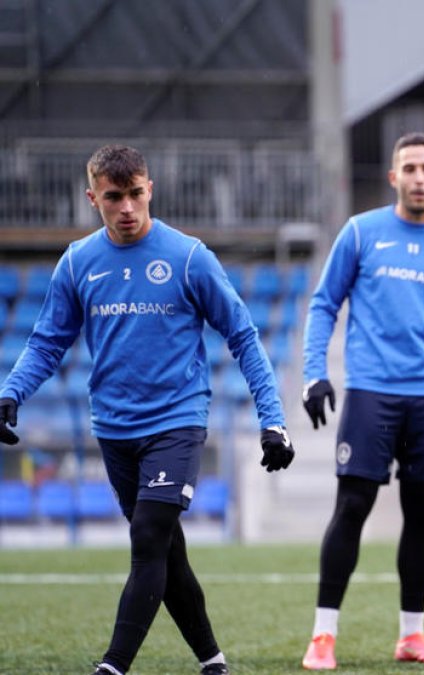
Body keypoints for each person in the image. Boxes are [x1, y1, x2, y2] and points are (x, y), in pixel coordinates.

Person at [0, 144, 295, 675]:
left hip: (177, 421)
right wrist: (11, 392)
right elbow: (47, 343)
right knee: (166, 552)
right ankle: (213, 662)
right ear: (93, 198)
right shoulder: (78, 262)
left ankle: (113, 667)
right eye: (114, 197)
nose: (128, 208)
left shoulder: (188, 257)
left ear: (150, 189)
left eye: (136, 194)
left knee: (149, 535)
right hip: (114, 430)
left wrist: (272, 420)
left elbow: (244, 336)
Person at [299, 132, 424, 670]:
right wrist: (314, 374)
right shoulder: (360, 232)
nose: (418, 177)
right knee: (352, 506)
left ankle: (412, 636)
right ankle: (323, 635)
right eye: (409, 168)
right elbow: (323, 304)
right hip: (372, 392)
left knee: (422, 514)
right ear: (394, 177)